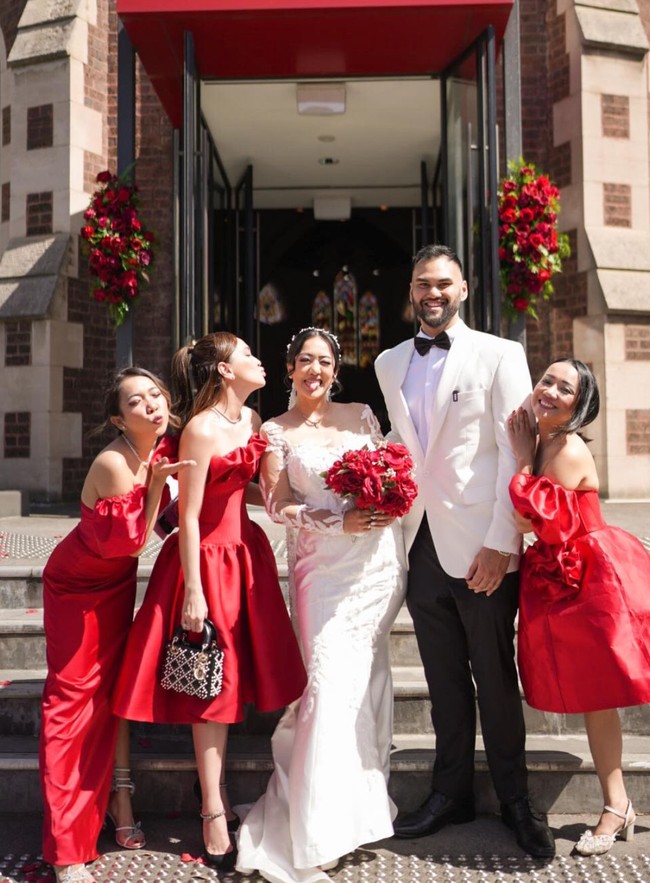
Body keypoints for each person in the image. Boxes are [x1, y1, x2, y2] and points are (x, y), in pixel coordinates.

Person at [374, 244, 554, 858]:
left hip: (483, 545)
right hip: (419, 544)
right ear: (411, 288)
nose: (433, 292)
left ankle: (515, 799)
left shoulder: (502, 354)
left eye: (444, 283)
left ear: (464, 289)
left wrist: (503, 543)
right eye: (423, 282)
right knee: (443, 678)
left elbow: (516, 452)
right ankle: (449, 794)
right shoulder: (389, 361)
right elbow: (404, 444)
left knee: (495, 678)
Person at [112, 332, 306, 870]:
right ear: (223, 370)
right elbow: (190, 516)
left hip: (247, 556)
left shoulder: (252, 422)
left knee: (231, 678)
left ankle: (215, 800)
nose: (258, 359)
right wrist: (193, 591)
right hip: (205, 562)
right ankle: (213, 812)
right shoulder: (198, 429)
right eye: (246, 353)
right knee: (209, 685)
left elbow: (272, 493)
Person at [236, 327, 407, 883]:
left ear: (337, 369)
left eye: (325, 361)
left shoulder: (361, 415)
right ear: (290, 369)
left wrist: (383, 503)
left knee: (364, 683)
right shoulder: (275, 430)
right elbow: (279, 504)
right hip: (319, 573)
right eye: (305, 360)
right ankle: (318, 825)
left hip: (375, 568)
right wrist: (336, 520)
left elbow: (390, 475)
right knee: (326, 686)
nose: (316, 369)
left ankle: (357, 808)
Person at [40, 367, 194, 883]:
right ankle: (65, 852)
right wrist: (155, 486)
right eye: (135, 401)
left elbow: (177, 517)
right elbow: (131, 540)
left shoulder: (167, 445)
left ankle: (112, 804)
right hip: (76, 590)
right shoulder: (113, 462)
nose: (151, 404)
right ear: (117, 418)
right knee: (71, 705)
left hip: (114, 587)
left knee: (107, 700)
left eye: (155, 394)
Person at [507, 358, 650, 855]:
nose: (548, 391)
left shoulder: (564, 449)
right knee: (596, 696)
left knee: (605, 693)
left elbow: (530, 514)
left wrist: (522, 458)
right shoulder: (545, 439)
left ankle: (616, 806)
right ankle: (618, 804)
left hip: (595, 580)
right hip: (563, 579)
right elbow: (529, 521)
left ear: (579, 405)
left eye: (563, 389)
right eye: (545, 380)